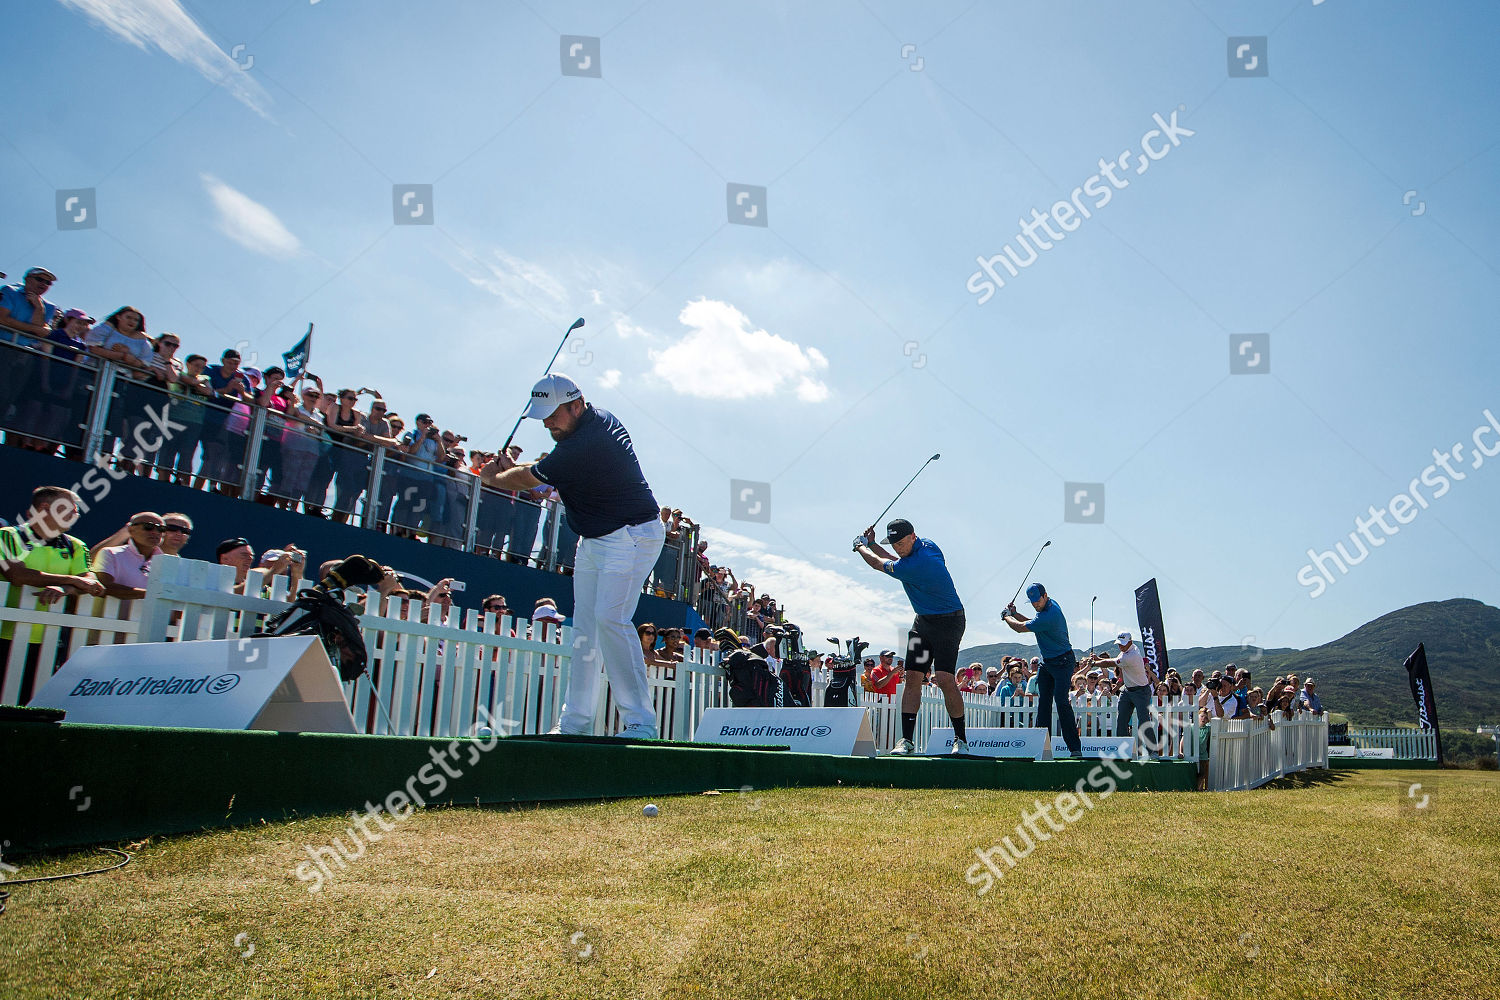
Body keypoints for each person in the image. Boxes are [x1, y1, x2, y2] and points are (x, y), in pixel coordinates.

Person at [480, 374, 664, 739]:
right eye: (543, 416)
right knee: (585, 629)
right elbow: (543, 470)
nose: (547, 422)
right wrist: (509, 471)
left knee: (611, 620)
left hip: (630, 535)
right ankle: (575, 722)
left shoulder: (584, 444)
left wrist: (493, 476)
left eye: (553, 414)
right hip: (596, 538)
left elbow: (528, 478)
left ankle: (641, 722)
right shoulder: (597, 419)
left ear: (577, 404)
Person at [853, 517, 968, 755]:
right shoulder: (924, 546)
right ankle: (906, 740)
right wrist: (873, 543)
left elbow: (878, 564)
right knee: (913, 678)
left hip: (949, 622)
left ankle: (961, 740)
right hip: (922, 624)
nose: (898, 548)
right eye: (894, 544)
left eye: (901, 543)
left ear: (913, 536)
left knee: (945, 679)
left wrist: (860, 546)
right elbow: (894, 559)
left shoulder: (920, 563)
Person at [0, 486, 106, 701]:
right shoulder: (8, 535)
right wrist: (70, 579)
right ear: (46, 508)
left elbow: (92, 584)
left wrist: (65, 588)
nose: (76, 514)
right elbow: (17, 575)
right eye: (71, 509)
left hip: (49, 640)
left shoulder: (77, 546)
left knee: (32, 705)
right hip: (3, 634)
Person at [1002, 583, 1082, 757]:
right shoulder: (1048, 607)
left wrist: (1007, 617)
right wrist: (1014, 613)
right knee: (1043, 703)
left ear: (1045, 595)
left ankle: (1075, 748)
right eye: (1032, 602)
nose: (1035, 604)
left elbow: (1021, 628)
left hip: (1063, 662)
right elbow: (1030, 622)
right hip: (1047, 663)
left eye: (1037, 600)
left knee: (1061, 702)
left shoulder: (1051, 615)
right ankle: (1041, 746)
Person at [1088, 630, 1156, 751]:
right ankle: (1124, 750)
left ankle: (1153, 751)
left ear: (1131, 642)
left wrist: (1094, 662)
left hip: (1141, 691)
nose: (1120, 646)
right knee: (1121, 720)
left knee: (1144, 720)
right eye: (1119, 643)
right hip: (1127, 690)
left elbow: (1109, 662)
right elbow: (1115, 660)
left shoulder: (1132, 656)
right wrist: (1098, 659)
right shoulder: (1126, 651)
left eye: (1123, 643)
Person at [90, 512, 166, 600]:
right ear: (130, 530)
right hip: (113, 613)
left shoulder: (166, 562)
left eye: (161, 529)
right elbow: (103, 586)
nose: (155, 532)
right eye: (148, 527)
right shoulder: (110, 553)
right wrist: (151, 594)